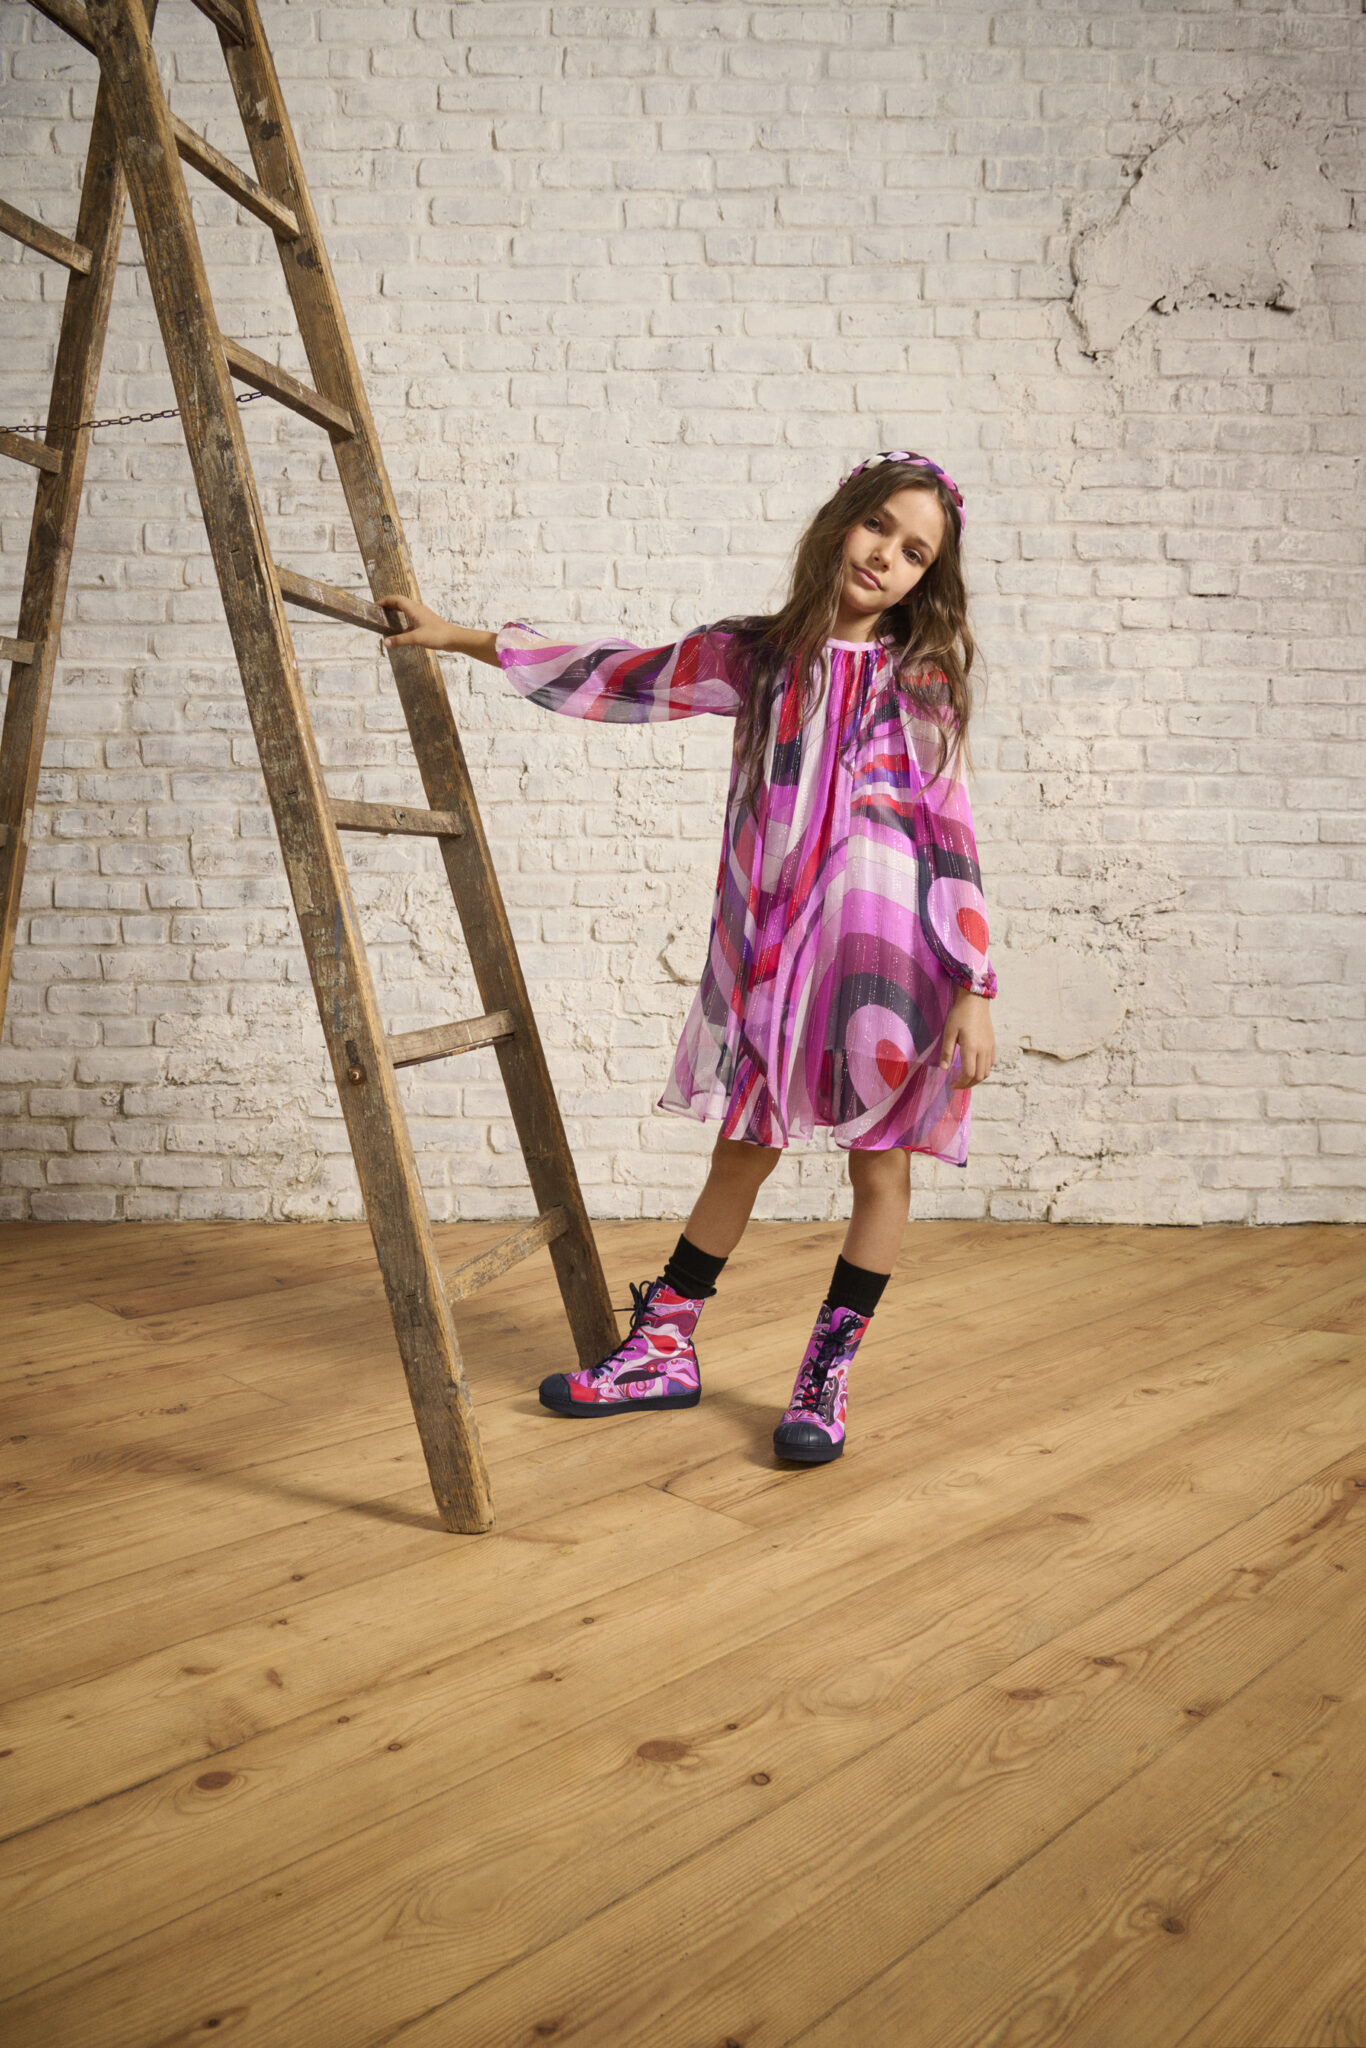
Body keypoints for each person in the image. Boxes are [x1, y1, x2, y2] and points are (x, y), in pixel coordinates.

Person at [375, 449, 996, 1467]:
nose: (887, 554)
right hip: (770, 960)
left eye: (914, 550)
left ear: (928, 576)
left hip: (893, 973)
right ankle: (662, 1348)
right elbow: (616, 670)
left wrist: (974, 983)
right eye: (878, 526)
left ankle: (822, 1380)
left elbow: (950, 828)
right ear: (843, 520)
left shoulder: (918, 678)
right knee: (740, 1152)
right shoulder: (754, 656)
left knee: (879, 1174)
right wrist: (453, 634)